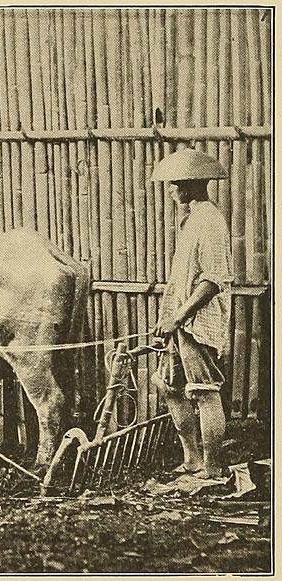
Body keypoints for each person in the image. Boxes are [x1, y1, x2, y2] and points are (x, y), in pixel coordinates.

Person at [150, 149, 233, 479]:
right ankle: (192, 460)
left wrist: (179, 317)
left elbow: (213, 281)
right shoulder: (192, 220)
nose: (171, 189)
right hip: (180, 323)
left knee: (205, 392)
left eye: (174, 184)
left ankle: (211, 468)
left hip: (199, 323)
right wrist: (170, 317)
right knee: (170, 386)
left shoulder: (210, 221)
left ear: (191, 186)